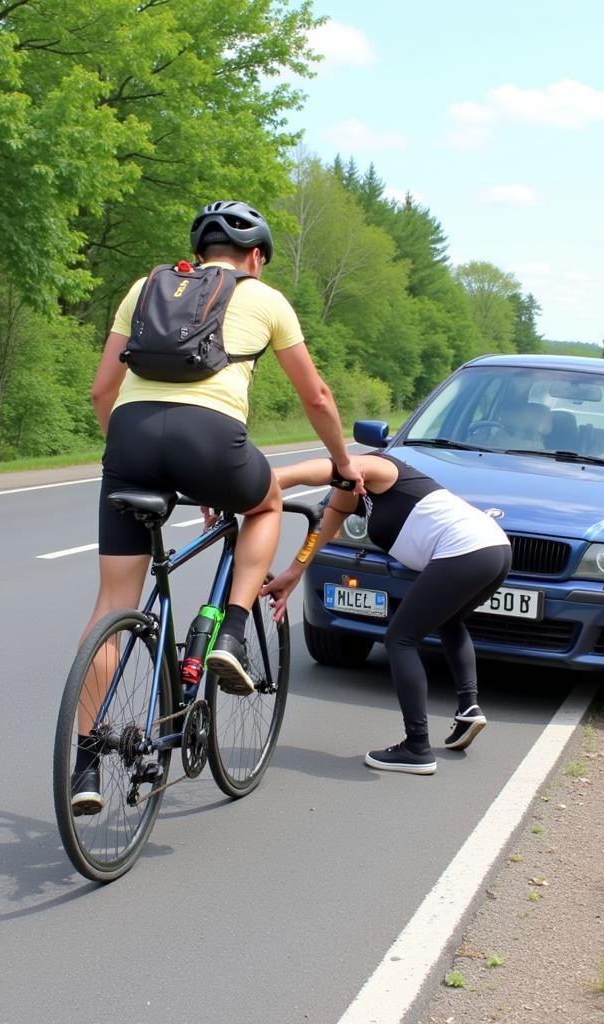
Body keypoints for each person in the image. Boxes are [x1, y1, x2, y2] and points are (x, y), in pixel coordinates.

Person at [71, 200, 363, 814]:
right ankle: (231, 629)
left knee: (111, 606)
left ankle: (86, 767)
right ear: (255, 257)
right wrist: (343, 462)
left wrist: (129, 453)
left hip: (128, 438)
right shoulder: (265, 298)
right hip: (211, 441)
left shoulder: (144, 286)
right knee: (264, 506)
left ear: (199, 251)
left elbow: (102, 388)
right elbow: (316, 394)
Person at [262, 453, 512, 776]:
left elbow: (338, 467)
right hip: (493, 550)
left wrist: (277, 479)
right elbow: (325, 527)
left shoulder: (380, 466)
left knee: (399, 639)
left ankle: (417, 747)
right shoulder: (346, 499)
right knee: (448, 620)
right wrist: (294, 572)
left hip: (468, 550)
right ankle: (468, 708)